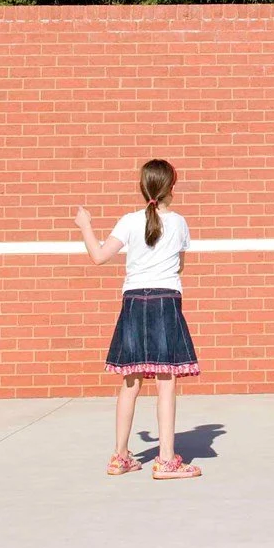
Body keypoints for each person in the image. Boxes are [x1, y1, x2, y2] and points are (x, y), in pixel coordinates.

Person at [75, 158, 203, 480]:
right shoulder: (179, 223)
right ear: (171, 187)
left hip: (133, 301)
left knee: (130, 381)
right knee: (165, 382)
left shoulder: (129, 221)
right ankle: (167, 460)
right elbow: (180, 266)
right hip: (165, 300)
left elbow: (99, 256)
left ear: (143, 186)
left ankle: (120, 457)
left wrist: (85, 226)